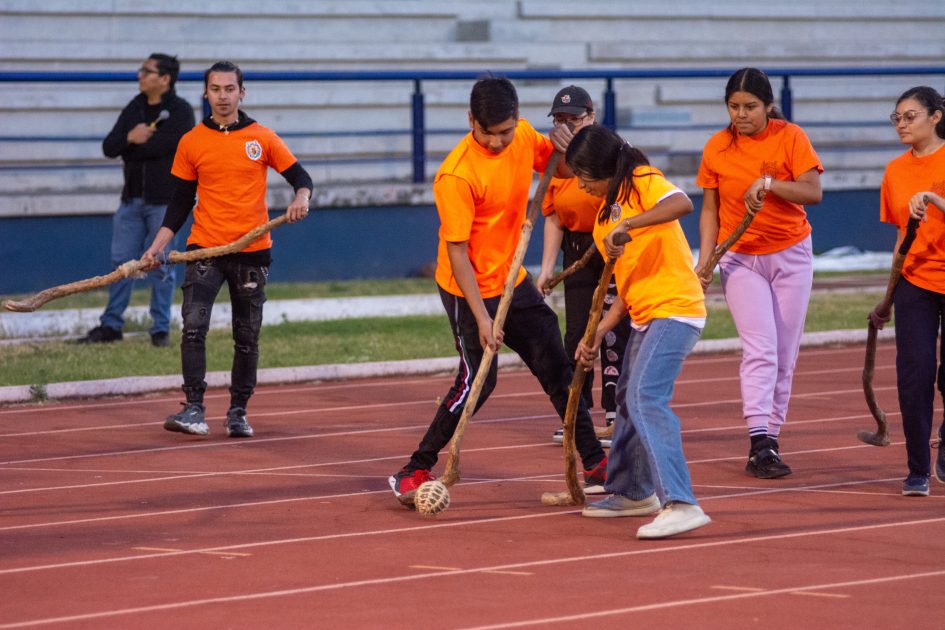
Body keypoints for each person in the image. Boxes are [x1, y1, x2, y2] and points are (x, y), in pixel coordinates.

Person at [388, 77, 608, 506]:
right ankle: (415, 468)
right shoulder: (456, 174)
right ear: (471, 121)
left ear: (517, 120)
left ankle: (596, 462)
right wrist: (485, 318)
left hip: (512, 279)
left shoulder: (524, 136)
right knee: (477, 381)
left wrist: (568, 146)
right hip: (466, 286)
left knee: (558, 369)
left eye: (505, 131)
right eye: (488, 132)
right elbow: (455, 255)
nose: (497, 141)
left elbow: (560, 169)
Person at [141, 61, 313, 438]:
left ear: (241, 93)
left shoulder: (262, 137)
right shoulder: (191, 141)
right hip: (205, 249)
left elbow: (301, 177)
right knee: (193, 327)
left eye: (229, 89)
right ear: (206, 93)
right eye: (215, 89)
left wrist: (301, 197)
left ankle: (238, 412)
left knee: (246, 336)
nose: (222, 96)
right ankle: (194, 409)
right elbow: (180, 201)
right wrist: (156, 247)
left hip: (252, 252)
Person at [568, 125, 710, 539]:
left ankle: (681, 501)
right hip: (645, 315)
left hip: (677, 309)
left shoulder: (642, 182)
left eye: (585, 175)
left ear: (605, 169)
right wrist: (598, 332)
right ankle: (632, 491)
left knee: (645, 397)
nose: (581, 184)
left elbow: (681, 203)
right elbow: (625, 291)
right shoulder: (601, 221)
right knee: (629, 400)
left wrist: (629, 222)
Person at [694, 67, 823, 479]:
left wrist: (768, 182)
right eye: (733, 106)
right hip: (740, 259)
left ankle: (773, 437)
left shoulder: (791, 137)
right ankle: (759, 441)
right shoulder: (716, 147)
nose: (741, 115)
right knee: (761, 349)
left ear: (768, 106)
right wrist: (707, 258)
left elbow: (812, 192)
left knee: (785, 354)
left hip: (790, 255)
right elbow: (710, 208)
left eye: (750, 107)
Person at [535, 86, 630, 446]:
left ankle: (615, 411)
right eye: (559, 120)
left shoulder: (609, 151)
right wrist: (546, 270)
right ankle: (577, 413)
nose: (565, 126)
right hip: (576, 251)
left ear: (590, 117)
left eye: (572, 119)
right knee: (575, 334)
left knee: (611, 331)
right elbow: (553, 218)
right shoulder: (555, 163)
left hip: (610, 246)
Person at [79, 53, 195, 347]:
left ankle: (160, 329)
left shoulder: (181, 111)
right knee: (121, 263)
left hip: (165, 203)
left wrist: (132, 146)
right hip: (131, 200)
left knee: (162, 264)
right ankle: (111, 325)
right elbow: (109, 146)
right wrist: (131, 138)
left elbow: (169, 146)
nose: (140, 75)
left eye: (147, 71)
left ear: (165, 79)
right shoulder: (135, 107)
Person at [870, 86, 945, 497]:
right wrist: (887, 296)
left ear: (935, 116)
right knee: (914, 373)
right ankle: (917, 466)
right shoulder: (895, 171)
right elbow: (901, 238)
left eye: (910, 116)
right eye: (896, 117)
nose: (901, 124)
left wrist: (934, 198)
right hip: (915, 280)